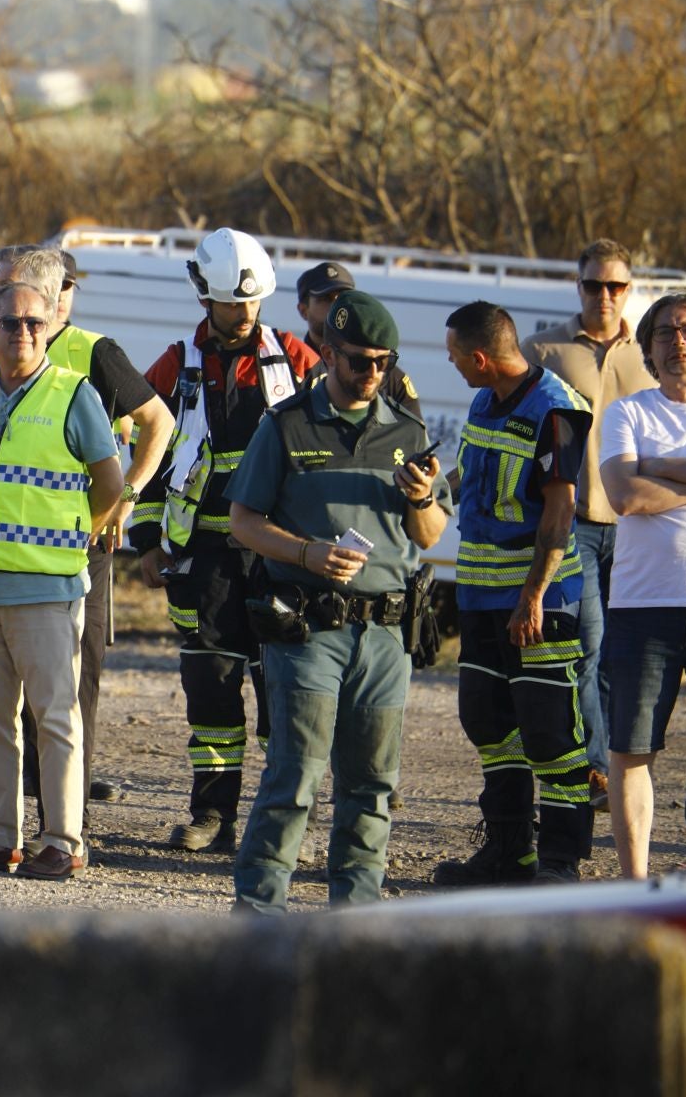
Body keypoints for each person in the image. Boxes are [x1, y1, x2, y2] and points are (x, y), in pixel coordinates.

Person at [229, 291, 451, 912]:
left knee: (373, 786)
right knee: (294, 779)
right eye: (358, 360)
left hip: (384, 634)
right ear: (328, 353)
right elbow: (243, 521)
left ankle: (354, 924)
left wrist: (422, 499)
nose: (371, 373)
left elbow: (429, 536)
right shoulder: (287, 424)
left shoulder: (409, 432)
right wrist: (306, 554)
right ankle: (259, 918)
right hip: (309, 631)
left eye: (383, 361)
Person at [130, 227, 318, 853]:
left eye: (249, 304)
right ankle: (212, 816)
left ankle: (280, 815)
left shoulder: (294, 358)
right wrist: (147, 537)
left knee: (281, 685)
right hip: (201, 558)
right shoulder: (175, 365)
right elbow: (148, 451)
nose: (240, 315)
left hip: (277, 553)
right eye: (228, 304)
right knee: (210, 689)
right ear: (203, 299)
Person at [0, 246, 173, 816]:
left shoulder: (94, 352)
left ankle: (67, 820)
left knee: (71, 687)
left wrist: (125, 503)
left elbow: (157, 422)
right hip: (1, 554)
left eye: (4, 285)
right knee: (5, 696)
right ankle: (13, 817)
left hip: (78, 548)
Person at [0, 281, 123, 880]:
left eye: (34, 324)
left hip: (47, 590)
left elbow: (109, 483)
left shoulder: (75, 394)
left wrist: (77, 534)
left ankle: (62, 842)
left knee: (55, 719)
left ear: (48, 329)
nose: (23, 332)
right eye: (10, 323)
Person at [434, 300, 594, 886]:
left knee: (550, 730)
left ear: (480, 357)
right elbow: (471, 473)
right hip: (478, 597)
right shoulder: (483, 399)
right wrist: (432, 484)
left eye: (454, 356)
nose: (451, 365)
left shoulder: (557, 409)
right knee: (487, 722)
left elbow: (559, 510)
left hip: (538, 602)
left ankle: (559, 861)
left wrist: (533, 596)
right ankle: (508, 852)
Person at [522, 240, 653, 810]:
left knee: (624, 653)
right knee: (588, 645)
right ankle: (596, 770)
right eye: (594, 285)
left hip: (638, 527)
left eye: (616, 286)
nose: (605, 296)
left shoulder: (653, 352)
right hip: (571, 522)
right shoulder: (544, 349)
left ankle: (616, 764)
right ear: (578, 287)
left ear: (630, 289)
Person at [598, 293, 686, 877]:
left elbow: (642, 482)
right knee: (630, 750)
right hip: (641, 603)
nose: (679, 341)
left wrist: (658, 464)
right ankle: (634, 885)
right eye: (666, 333)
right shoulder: (628, 412)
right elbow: (624, 497)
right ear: (647, 349)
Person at [294, 262, 421, 419]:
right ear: (303, 310)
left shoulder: (387, 375)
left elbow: (413, 437)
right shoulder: (291, 370)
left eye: (342, 297)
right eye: (325, 299)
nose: (336, 306)